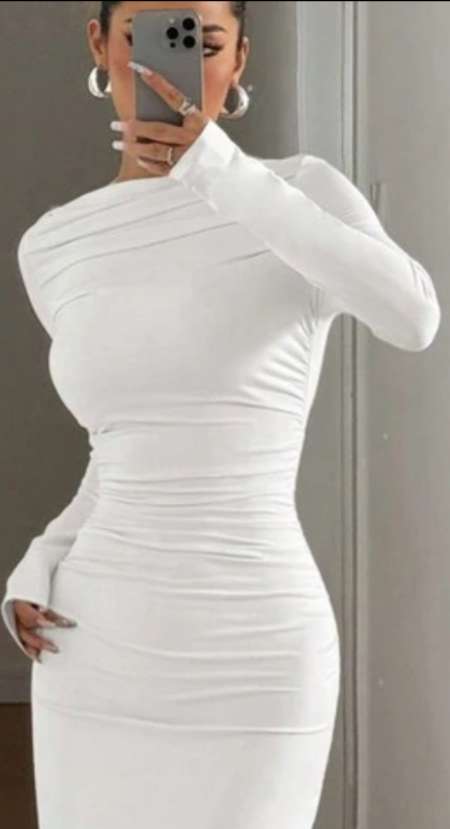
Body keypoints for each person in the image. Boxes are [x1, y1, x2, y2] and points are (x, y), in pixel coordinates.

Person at [1, 2, 441, 828]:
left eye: (202, 43)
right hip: (94, 643)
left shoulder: (300, 191)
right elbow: (125, 452)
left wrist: (219, 172)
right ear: (100, 46)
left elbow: (412, 316)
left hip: (255, 651)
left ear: (240, 59)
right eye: (142, 38)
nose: (173, 66)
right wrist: (43, 555)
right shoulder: (54, 244)